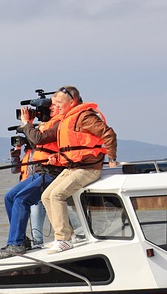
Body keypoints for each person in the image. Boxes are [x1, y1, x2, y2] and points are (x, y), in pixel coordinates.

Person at [41, 86, 118, 254]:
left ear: (72, 102)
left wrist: (112, 159)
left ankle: (63, 240)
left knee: (57, 195)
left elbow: (109, 135)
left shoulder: (85, 117)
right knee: (46, 196)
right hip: (73, 167)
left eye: (59, 102)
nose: (56, 106)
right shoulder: (68, 118)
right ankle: (68, 235)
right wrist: (57, 157)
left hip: (88, 168)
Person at [1, 99, 64, 256]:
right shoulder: (47, 125)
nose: (50, 110)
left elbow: (39, 139)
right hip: (40, 172)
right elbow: (37, 144)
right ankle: (20, 239)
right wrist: (29, 126)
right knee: (10, 197)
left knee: (21, 200)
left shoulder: (60, 123)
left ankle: (15, 244)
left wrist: (27, 124)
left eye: (53, 107)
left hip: (52, 172)